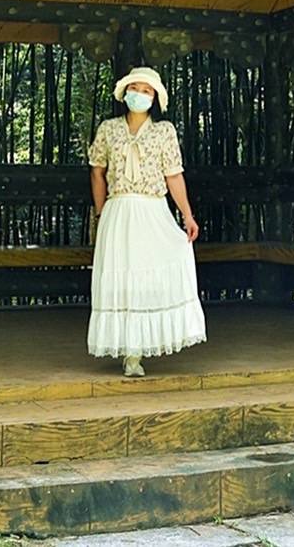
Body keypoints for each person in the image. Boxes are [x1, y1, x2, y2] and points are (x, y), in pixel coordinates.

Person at [87, 66, 207, 377]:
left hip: (152, 210)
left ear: (154, 98)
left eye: (146, 90)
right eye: (134, 88)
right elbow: (97, 172)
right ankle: (130, 353)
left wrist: (187, 214)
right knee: (122, 278)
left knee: (148, 275)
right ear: (124, 92)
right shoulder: (108, 129)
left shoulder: (164, 131)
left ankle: (141, 347)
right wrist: (101, 214)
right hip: (118, 211)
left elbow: (174, 176)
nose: (138, 94)